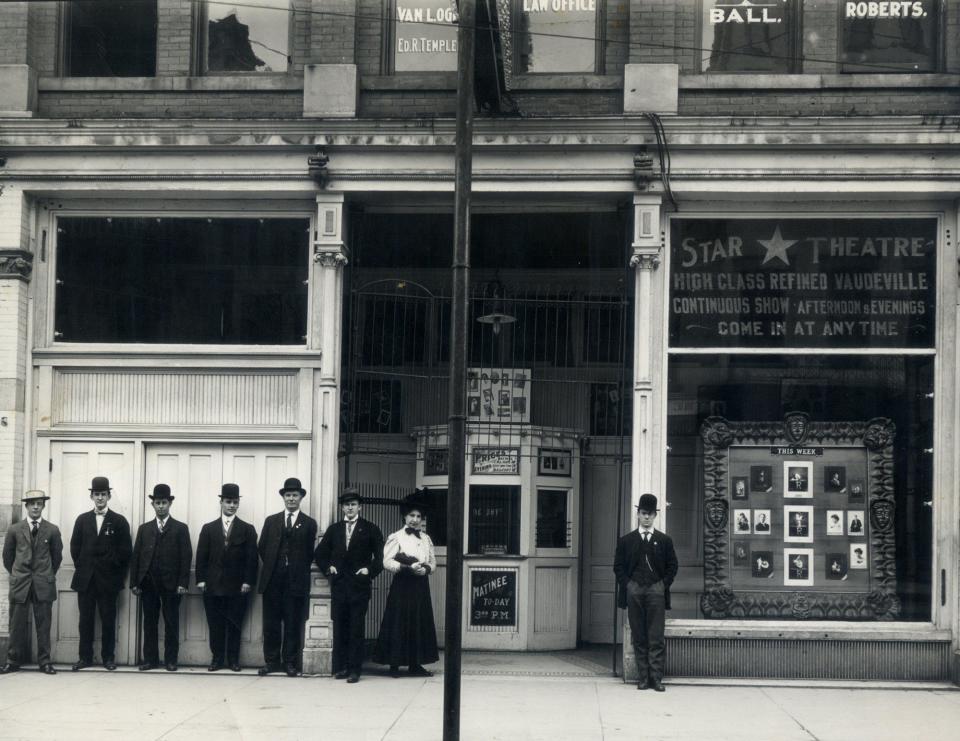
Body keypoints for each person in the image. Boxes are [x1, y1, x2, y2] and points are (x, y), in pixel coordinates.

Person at [315, 487, 385, 683]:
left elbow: (381, 557)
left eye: (353, 504)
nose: (350, 508)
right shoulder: (334, 529)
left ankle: (355, 669)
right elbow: (320, 553)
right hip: (339, 587)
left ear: (360, 507)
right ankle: (342, 667)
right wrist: (329, 568)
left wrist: (369, 571)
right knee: (341, 628)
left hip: (359, 587)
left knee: (356, 629)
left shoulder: (370, 528)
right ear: (342, 507)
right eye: (346, 505)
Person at [613, 493, 678, 692]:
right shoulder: (626, 541)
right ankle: (643, 678)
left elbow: (673, 566)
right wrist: (629, 586)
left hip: (656, 593)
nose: (647, 517)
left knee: (656, 636)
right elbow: (618, 567)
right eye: (643, 513)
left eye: (650, 514)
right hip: (634, 593)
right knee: (639, 635)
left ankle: (656, 679)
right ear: (638, 514)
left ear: (655, 515)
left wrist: (662, 585)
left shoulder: (664, 540)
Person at [373, 491, 439, 678]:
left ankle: (415, 664)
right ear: (404, 516)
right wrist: (405, 567)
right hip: (402, 585)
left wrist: (425, 569)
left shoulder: (426, 539)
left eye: (418, 516)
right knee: (398, 622)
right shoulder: (396, 537)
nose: (415, 520)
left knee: (419, 622)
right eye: (412, 515)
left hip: (420, 586)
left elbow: (433, 563)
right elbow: (386, 562)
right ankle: (394, 664)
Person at [69, 476, 132, 671]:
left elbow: (125, 552)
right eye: (96, 494)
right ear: (91, 496)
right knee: (85, 620)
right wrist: (84, 566)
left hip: (108, 581)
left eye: (103, 494)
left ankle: (108, 658)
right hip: (85, 580)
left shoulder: (119, 521)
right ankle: (84, 657)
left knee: (108, 619)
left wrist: (113, 571)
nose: (100, 498)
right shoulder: (82, 520)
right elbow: (74, 547)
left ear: (109, 496)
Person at [257, 477, 318, 677]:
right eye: (288, 495)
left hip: (295, 581)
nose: (291, 499)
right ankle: (271, 661)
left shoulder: (309, 523)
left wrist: (295, 567)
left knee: (292, 622)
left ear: (301, 498)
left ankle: (290, 662)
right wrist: (275, 565)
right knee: (271, 624)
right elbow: (262, 547)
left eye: (295, 495)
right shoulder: (271, 521)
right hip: (273, 581)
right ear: (283, 497)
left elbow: (310, 552)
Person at [196, 483, 259, 672]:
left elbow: (252, 559)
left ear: (238, 503)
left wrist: (248, 581)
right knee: (215, 624)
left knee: (234, 623)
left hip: (237, 587)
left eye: (235, 502)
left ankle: (233, 660)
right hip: (213, 586)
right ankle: (217, 659)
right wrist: (201, 579)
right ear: (221, 502)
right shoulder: (208, 528)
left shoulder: (247, 529)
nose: (231, 505)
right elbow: (201, 556)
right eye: (228, 501)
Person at [129, 484, 192, 671]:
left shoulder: (180, 528)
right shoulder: (144, 529)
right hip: (148, 583)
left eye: (164, 502)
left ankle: (171, 660)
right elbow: (136, 557)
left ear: (170, 503)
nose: (161, 506)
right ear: (152, 504)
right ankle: (150, 659)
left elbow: (186, 557)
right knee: (149, 622)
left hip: (171, 585)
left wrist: (182, 583)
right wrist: (135, 582)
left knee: (171, 622)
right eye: (158, 503)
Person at [1, 490, 63, 675]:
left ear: (43, 506)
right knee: (16, 623)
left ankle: (45, 662)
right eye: (32, 503)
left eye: (39, 503)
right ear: (26, 506)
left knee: (44, 625)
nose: (36, 506)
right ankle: (13, 661)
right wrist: (18, 574)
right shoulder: (14, 529)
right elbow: (7, 558)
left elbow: (57, 558)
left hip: (43, 583)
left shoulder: (52, 530)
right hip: (20, 583)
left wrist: (45, 574)